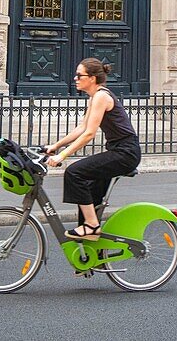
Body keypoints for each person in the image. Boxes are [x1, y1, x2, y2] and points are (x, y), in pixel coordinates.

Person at [45, 58, 141, 240]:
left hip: (125, 153)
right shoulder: (94, 97)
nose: (75, 78)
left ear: (92, 78)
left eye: (79, 75)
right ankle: (88, 256)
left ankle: (92, 225)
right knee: (88, 190)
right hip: (118, 151)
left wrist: (62, 156)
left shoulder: (101, 97)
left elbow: (89, 134)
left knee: (74, 173)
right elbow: (81, 128)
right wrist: (55, 146)